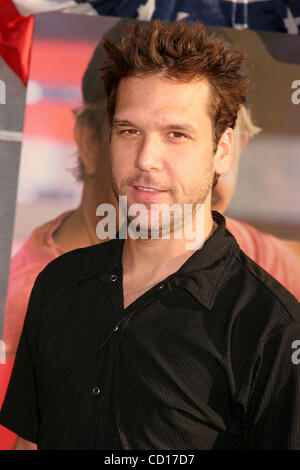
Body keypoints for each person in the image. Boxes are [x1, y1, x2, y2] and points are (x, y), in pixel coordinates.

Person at [0, 19, 299, 450]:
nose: (146, 159)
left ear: (223, 150)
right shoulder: (57, 284)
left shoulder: (273, 327)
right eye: (129, 131)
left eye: (176, 135)